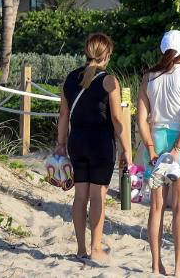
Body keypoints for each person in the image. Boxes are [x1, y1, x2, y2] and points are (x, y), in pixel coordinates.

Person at [55, 33, 132, 262]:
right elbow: (118, 120)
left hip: (77, 141)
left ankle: (81, 249)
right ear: (106, 55)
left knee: (80, 197)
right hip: (100, 143)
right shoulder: (109, 81)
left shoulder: (70, 79)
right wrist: (126, 149)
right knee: (98, 196)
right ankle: (96, 248)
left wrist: (60, 144)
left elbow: (63, 115)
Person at [136, 29, 180, 277]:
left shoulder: (148, 78)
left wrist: (152, 149)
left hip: (155, 139)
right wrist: (176, 150)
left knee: (156, 208)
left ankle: (155, 265)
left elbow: (141, 119)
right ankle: (179, 267)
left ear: (162, 50)